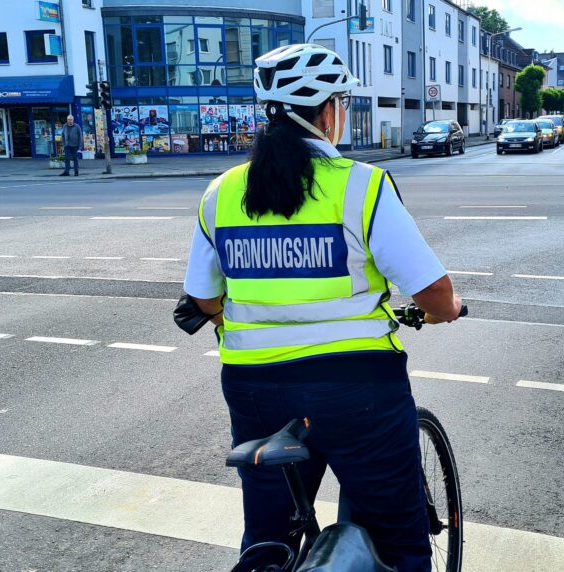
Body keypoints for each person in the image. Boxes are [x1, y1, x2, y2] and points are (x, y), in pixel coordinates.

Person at [182, 44, 462, 572]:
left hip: (254, 388)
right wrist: (449, 309)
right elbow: (433, 294)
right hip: (359, 388)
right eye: (343, 103)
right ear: (329, 111)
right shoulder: (361, 185)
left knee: (268, 535)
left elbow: (203, 297)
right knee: (398, 542)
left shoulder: (221, 193)